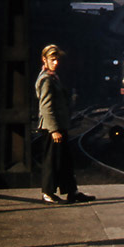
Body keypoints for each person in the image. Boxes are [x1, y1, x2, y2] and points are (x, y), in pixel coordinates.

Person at [37, 44, 94, 204]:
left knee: (65, 161)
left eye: (57, 60)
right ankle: (47, 193)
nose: (56, 63)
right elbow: (46, 107)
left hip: (60, 125)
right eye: (53, 60)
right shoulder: (46, 80)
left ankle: (72, 191)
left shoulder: (53, 77)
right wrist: (54, 130)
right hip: (52, 127)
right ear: (44, 60)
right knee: (51, 161)